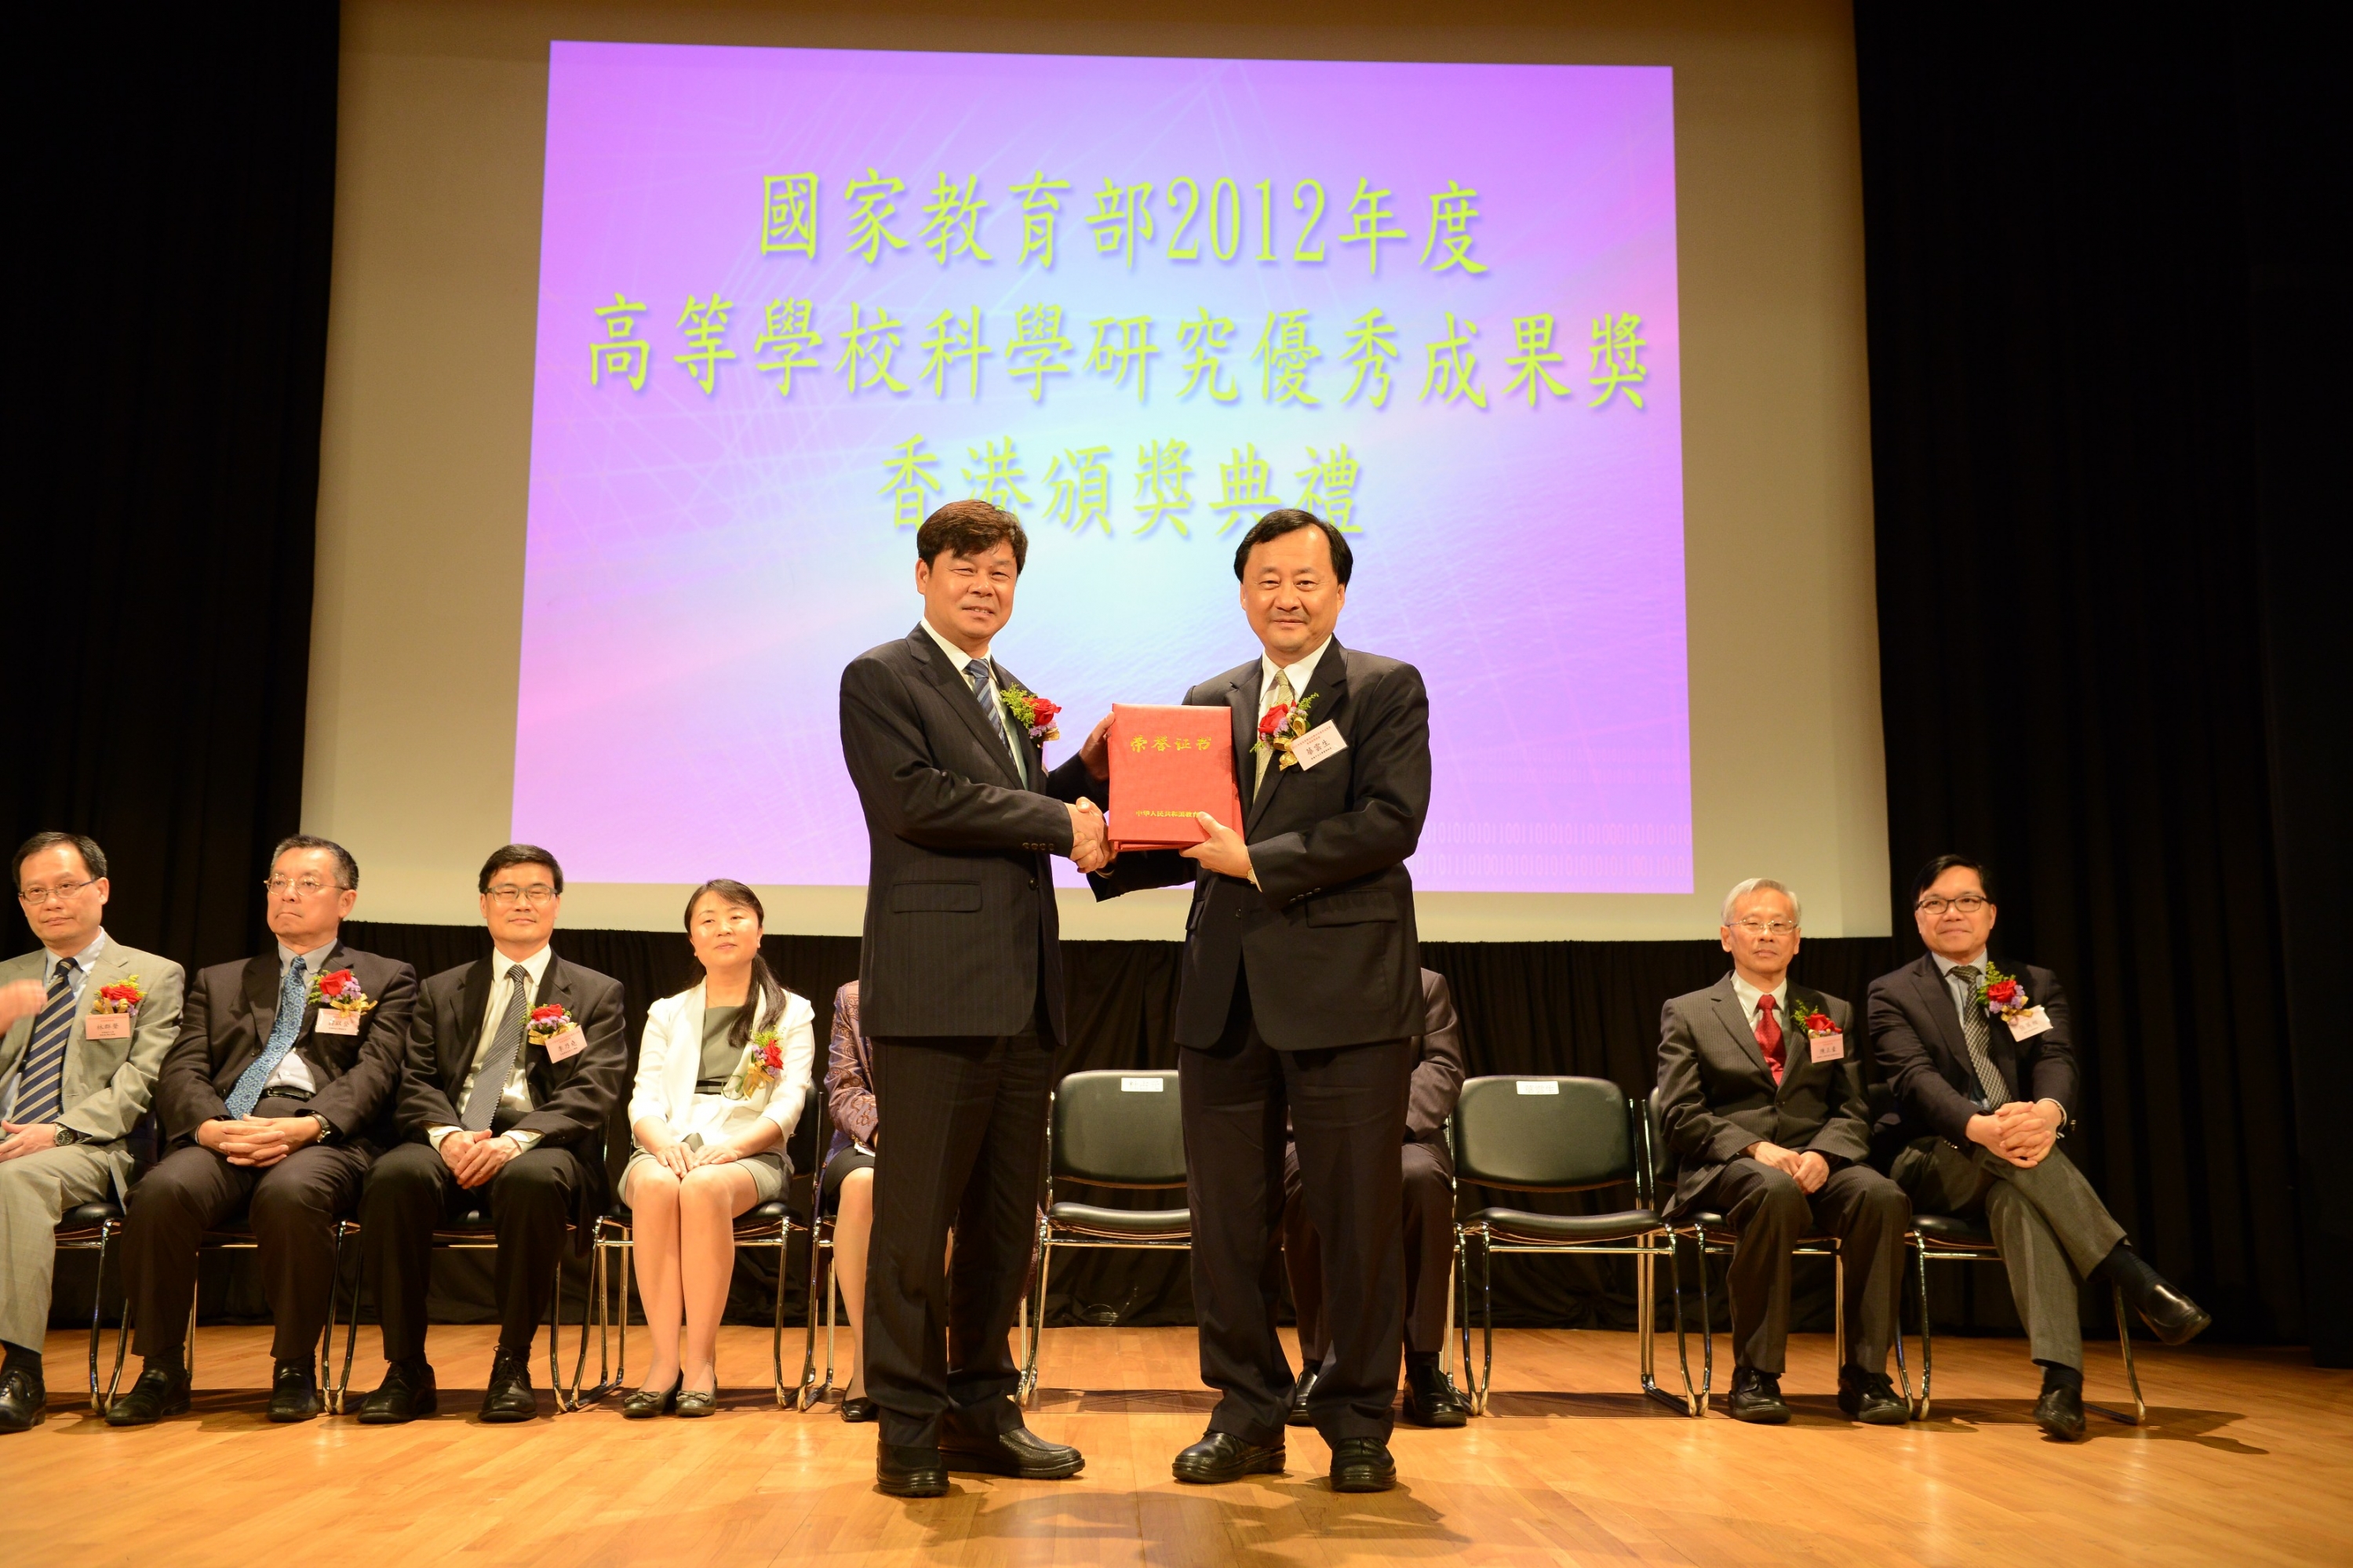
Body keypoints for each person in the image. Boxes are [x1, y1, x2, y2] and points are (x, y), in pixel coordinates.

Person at [1080, 508, 1430, 1493]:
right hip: (1224, 997)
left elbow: (1390, 822)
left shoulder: (1383, 690)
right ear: (1241, 592)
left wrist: (1258, 861)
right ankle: (1245, 1411)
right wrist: (1103, 830)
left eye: (1305, 581)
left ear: (1339, 593)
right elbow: (1179, 837)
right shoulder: (1208, 699)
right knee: (1224, 1223)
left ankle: (1359, 1419)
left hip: (1346, 997)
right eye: (1267, 579)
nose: (1286, 596)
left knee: (1353, 1217)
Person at [837, 498, 1106, 1497]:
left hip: (1022, 992)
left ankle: (982, 1409)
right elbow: (917, 799)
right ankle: (907, 1423)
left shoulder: (1012, 691)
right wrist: (1060, 811)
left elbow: (1017, 814)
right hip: (936, 993)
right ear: (922, 575)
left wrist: (1093, 770)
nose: (984, 586)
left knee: (1002, 1222)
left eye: (1000, 571)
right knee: (914, 1226)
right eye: (965, 568)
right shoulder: (881, 675)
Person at [1869, 853, 2210, 1441]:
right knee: (2012, 1157)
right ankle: (2131, 1275)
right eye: (1935, 903)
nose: (1951, 912)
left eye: (1966, 900)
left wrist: (2048, 1114)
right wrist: (1981, 1126)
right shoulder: (1891, 991)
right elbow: (1914, 1081)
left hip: (2021, 1154)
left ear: (1991, 913)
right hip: (1934, 1154)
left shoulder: (2029, 982)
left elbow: (2056, 1058)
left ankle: (2061, 1385)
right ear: (1918, 918)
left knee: (2020, 1202)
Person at [109, 835, 418, 1425]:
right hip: (230, 1126)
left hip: (323, 1135)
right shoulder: (222, 978)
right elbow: (182, 1067)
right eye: (278, 882)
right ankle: (161, 1367)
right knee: (160, 1192)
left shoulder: (386, 976)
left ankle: (294, 1364)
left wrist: (311, 1125)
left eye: (307, 882)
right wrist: (209, 1126)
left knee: (290, 1194)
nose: (289, 894)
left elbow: (378, 1070)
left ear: (346, 899)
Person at [353, 843, 627, 1424]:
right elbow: (415, 1078)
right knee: (393, 1176)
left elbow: (594, 1089)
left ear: (556, 904)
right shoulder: (440, 988)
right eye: (507, 891)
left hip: (540, 1144)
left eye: (536, 892)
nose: (521, 903)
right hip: (455, 1134)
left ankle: (512, 1362)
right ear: (484, 904)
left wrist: (516, 1139)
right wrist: (450, 1135)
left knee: (531, 1181)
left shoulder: (597, 992)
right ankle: (405, 1366)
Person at [1654, 878, 1910, 1425]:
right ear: (1726, 937)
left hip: (1816, 1164)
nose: (1766, 934)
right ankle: (1755, 1372)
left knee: (1881, 1196)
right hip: (1730, 1166)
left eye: (1779, 924)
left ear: (1797, 941)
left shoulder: (1828, 1010)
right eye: (1752, 923)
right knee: (1770, 1188)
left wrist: (1826, 1153)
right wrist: (1752, 1145)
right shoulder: (1689, 1011)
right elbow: (1679, 1112)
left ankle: (1866, 1374)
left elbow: (1851, 1107)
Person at [0, 833, 184, 1434]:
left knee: (16, 1179)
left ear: (100, 889)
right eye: (34, 892)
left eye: (64, 887)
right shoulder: (7, 977)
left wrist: (55, 1129)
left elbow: (141, 1081)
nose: (49, 902)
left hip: (89, 1146)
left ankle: (21, 1371)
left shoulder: (151, 975)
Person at [619, 879, 815, 1417]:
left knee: (703, 1187)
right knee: (659, 1185)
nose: (722, 928)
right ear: (692, 940)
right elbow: (642, 1101)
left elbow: (786, 1105)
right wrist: (662, 1145)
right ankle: (663, 1362)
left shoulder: (790, 1013)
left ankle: (700, 1363)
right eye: (707, 920)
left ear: (759, 930)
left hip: (749, 1154)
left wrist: (732, 1148)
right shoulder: (667, 1011)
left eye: (735, 916)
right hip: (666, 1148)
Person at [1281, 966, 1466, 1430]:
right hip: (1313, 1134)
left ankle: (1423, 1367)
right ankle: (1318, 1363)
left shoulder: (1424, 986)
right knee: (1310, 1180)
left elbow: (1442, 1067)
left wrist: (1384, 1126)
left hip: (1403, 1135)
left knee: (1423, 1179)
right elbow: (1274, 1070)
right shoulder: (1291, 982)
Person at [819, 979, 880, 1423]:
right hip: (865, 1141)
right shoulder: (854, 997)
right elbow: (842, 1086)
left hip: (943, 1141)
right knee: (862, 1185)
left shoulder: (962, 992)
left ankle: (914, 1354)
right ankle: (868, 1355)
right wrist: (882, 1130)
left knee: (936, 1191)